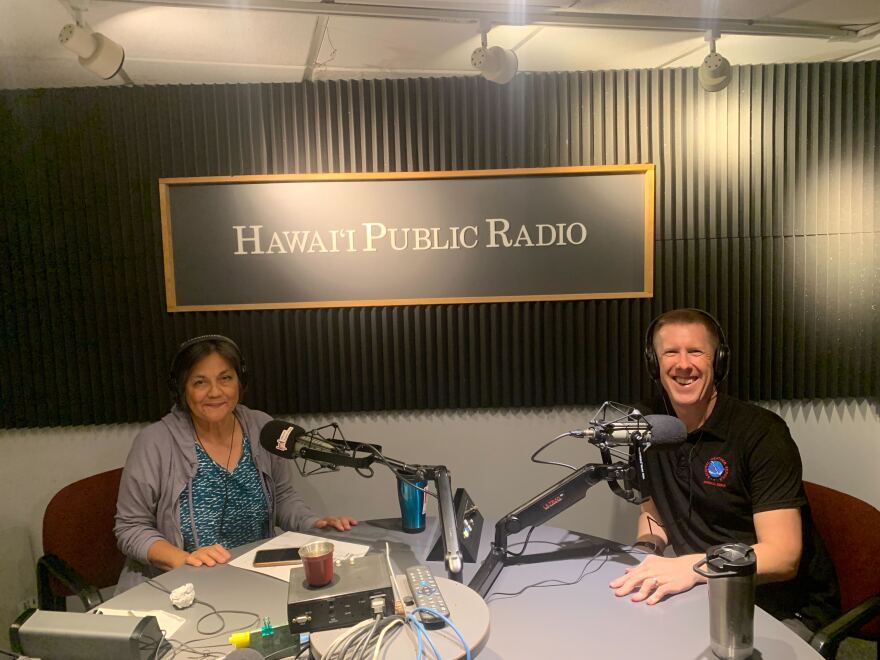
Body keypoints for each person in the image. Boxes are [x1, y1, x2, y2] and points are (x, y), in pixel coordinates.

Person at [609, 308, 839, 638]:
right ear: (653, 363)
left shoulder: (761, 434)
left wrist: (692, 567)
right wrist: (646, 552)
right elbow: (653, 512)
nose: (683, 364)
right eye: (671, 352)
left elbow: (782, 555)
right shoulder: (649, 425)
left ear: (717, 362)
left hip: (781, 608)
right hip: (707, 591)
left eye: (696, 351)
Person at [114, 334, 358, 592]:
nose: (215, 392)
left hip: (256, 579)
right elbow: (130, 528)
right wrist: (183, 559)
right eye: (200, 382)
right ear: (181, 389)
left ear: (240, 382)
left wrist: (313, 524)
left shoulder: (261, 427)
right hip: (183, 586)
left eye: (225, 378)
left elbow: (283, 496)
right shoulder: (154, 442)